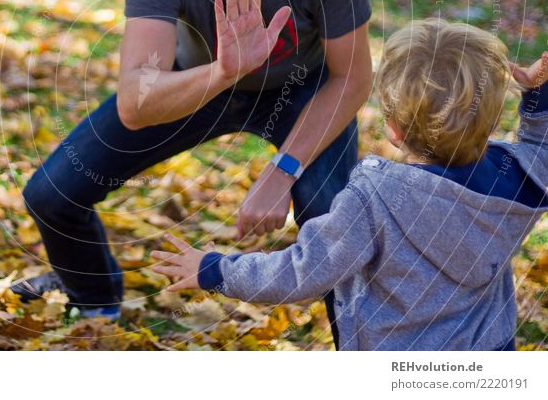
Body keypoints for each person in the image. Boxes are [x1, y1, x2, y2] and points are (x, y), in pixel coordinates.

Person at [14, 0, 373, 339]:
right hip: (201, 81)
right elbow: (137, 103)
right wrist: (223, 71)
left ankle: (367, 352)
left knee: (334, 223)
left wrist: (282, 171)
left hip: (302, 88)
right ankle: (95, 302)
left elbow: (352, 77)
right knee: (51, 194)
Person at [151, 19, 548, 350]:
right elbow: (540, 150)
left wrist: (217, 270)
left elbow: (304, 271)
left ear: (392, 129)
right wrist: (537, 99)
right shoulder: (518, 178)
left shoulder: (376, 198)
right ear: (493, 119)